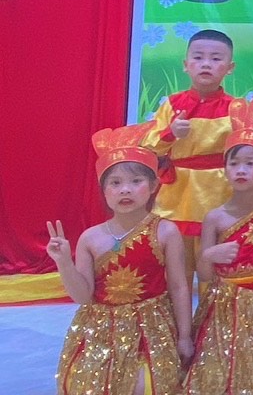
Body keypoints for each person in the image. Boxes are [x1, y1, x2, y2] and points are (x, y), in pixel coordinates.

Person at [51, 123, 192, 395]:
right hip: (99, 332)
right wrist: (63, 262)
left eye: (136, 182)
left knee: (146, 387)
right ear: (104, 191)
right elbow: (83, 296)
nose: (125, 190)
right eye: (115, 183)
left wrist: (185, 336)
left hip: (151, 330)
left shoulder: (165, 231)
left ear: (154, 186)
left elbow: (178, 287)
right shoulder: (90, 238)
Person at [184, 96, 253, 395]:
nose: (241, 170)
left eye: (250, 163)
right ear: (225, 170)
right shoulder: (214, 218)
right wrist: (209, 254)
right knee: (211, 380)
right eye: (234, 163)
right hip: (222, 307)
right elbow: (205, 275)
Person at [143, 28, 236, 280]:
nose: (206, 64)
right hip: (178, 194)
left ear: (230, 67)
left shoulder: (236, 108)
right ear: (186, 65)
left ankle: (213, 306)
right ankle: (177, 305)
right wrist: (170, 133)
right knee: (177, 265)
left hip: (218, 191)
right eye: (198, 57)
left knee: (214, 266)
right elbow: (149, 148)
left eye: (216, 58)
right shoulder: (172, 104)